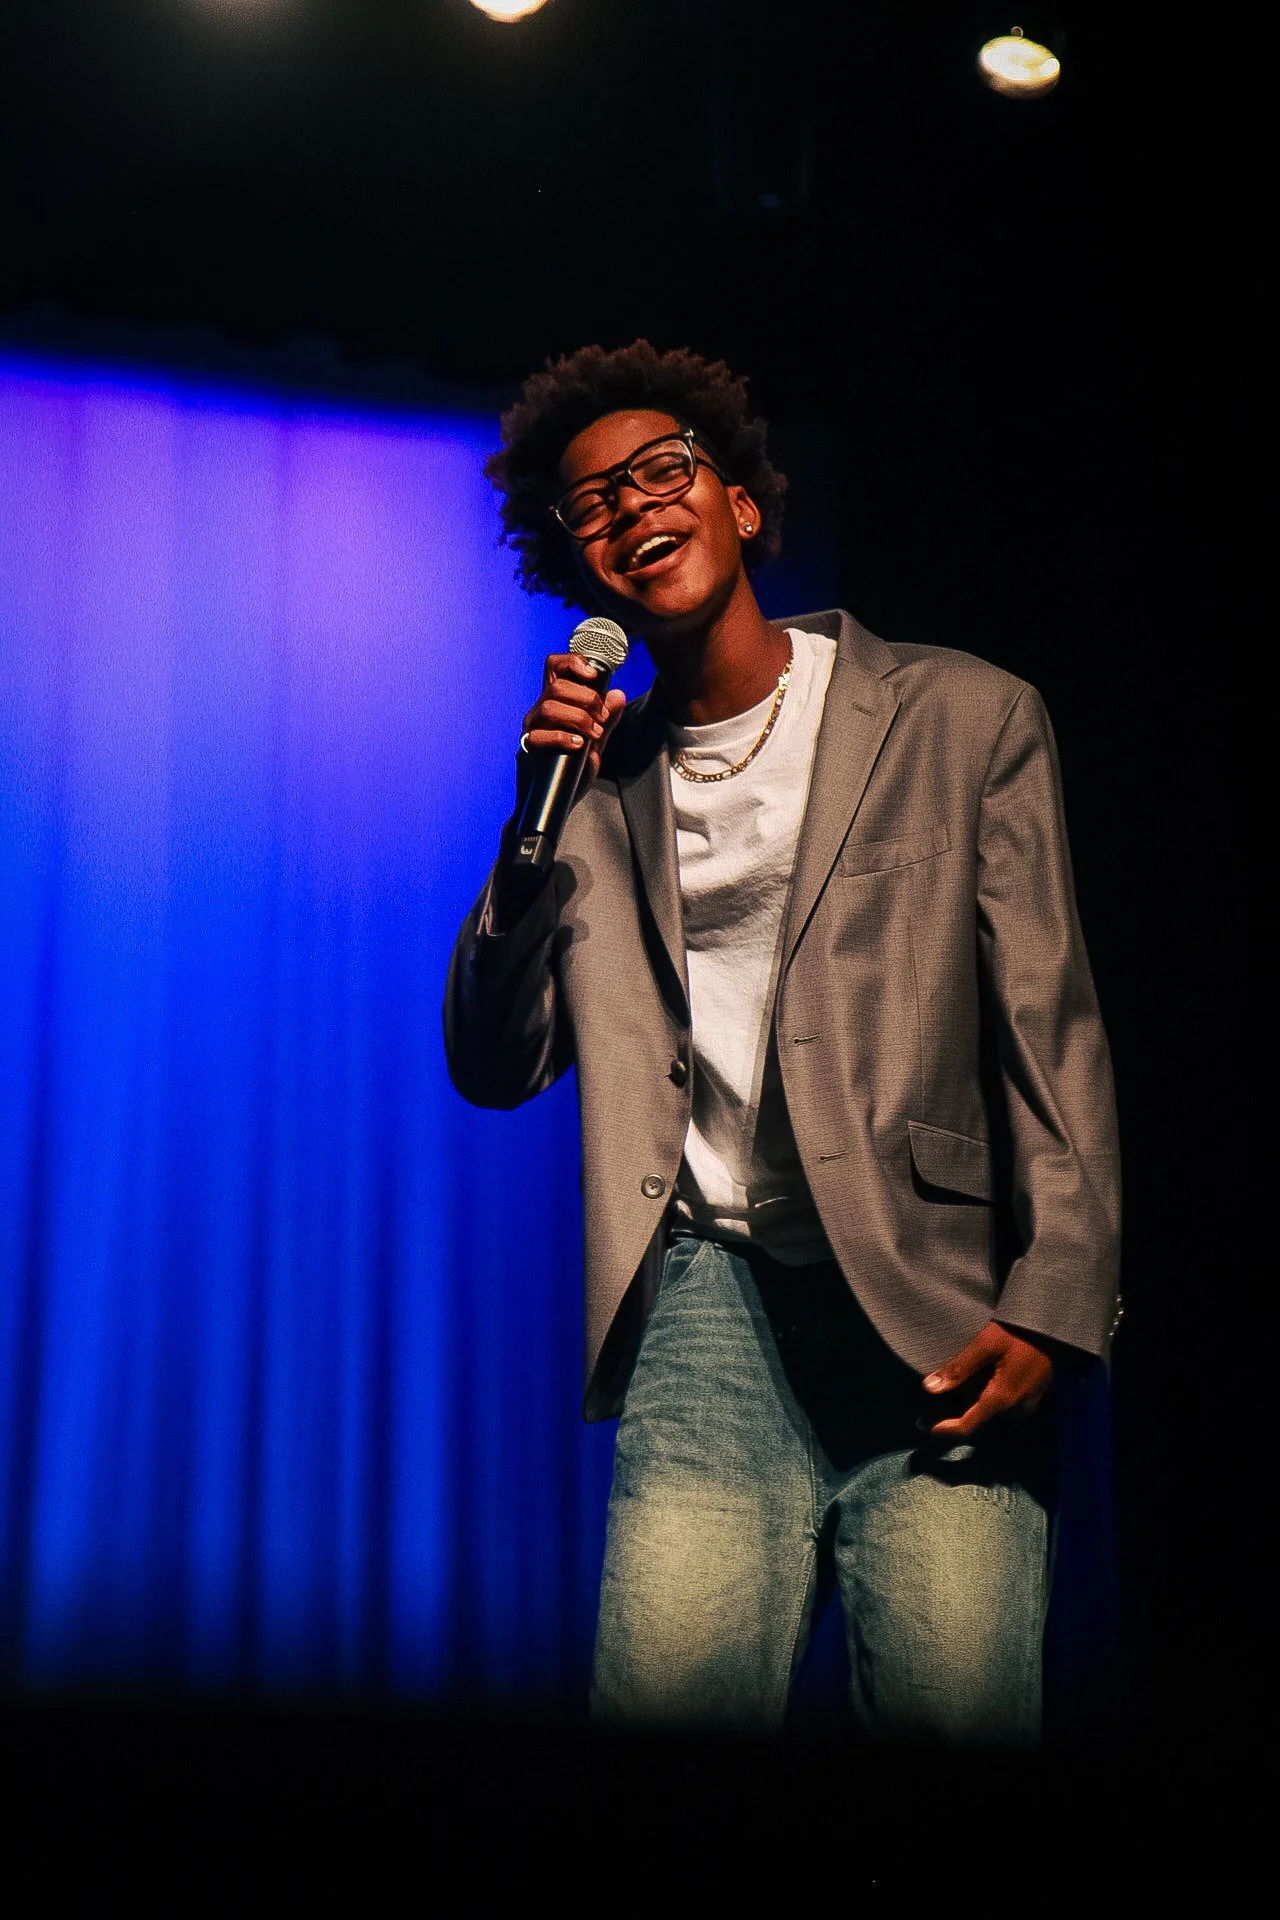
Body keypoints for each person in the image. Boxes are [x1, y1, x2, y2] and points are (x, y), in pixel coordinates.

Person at [444, 340, 1120, 1743]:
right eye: (590, 505)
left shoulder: (959, 717)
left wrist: (1058, 1294)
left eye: (662, 471)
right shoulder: (594, 792)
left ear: (742, 504)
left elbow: (1048, 1029)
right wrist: (530, 828)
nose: (631, 507)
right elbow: (493, 1065)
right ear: (580, 573)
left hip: (934, 1300)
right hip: (707, 1303)